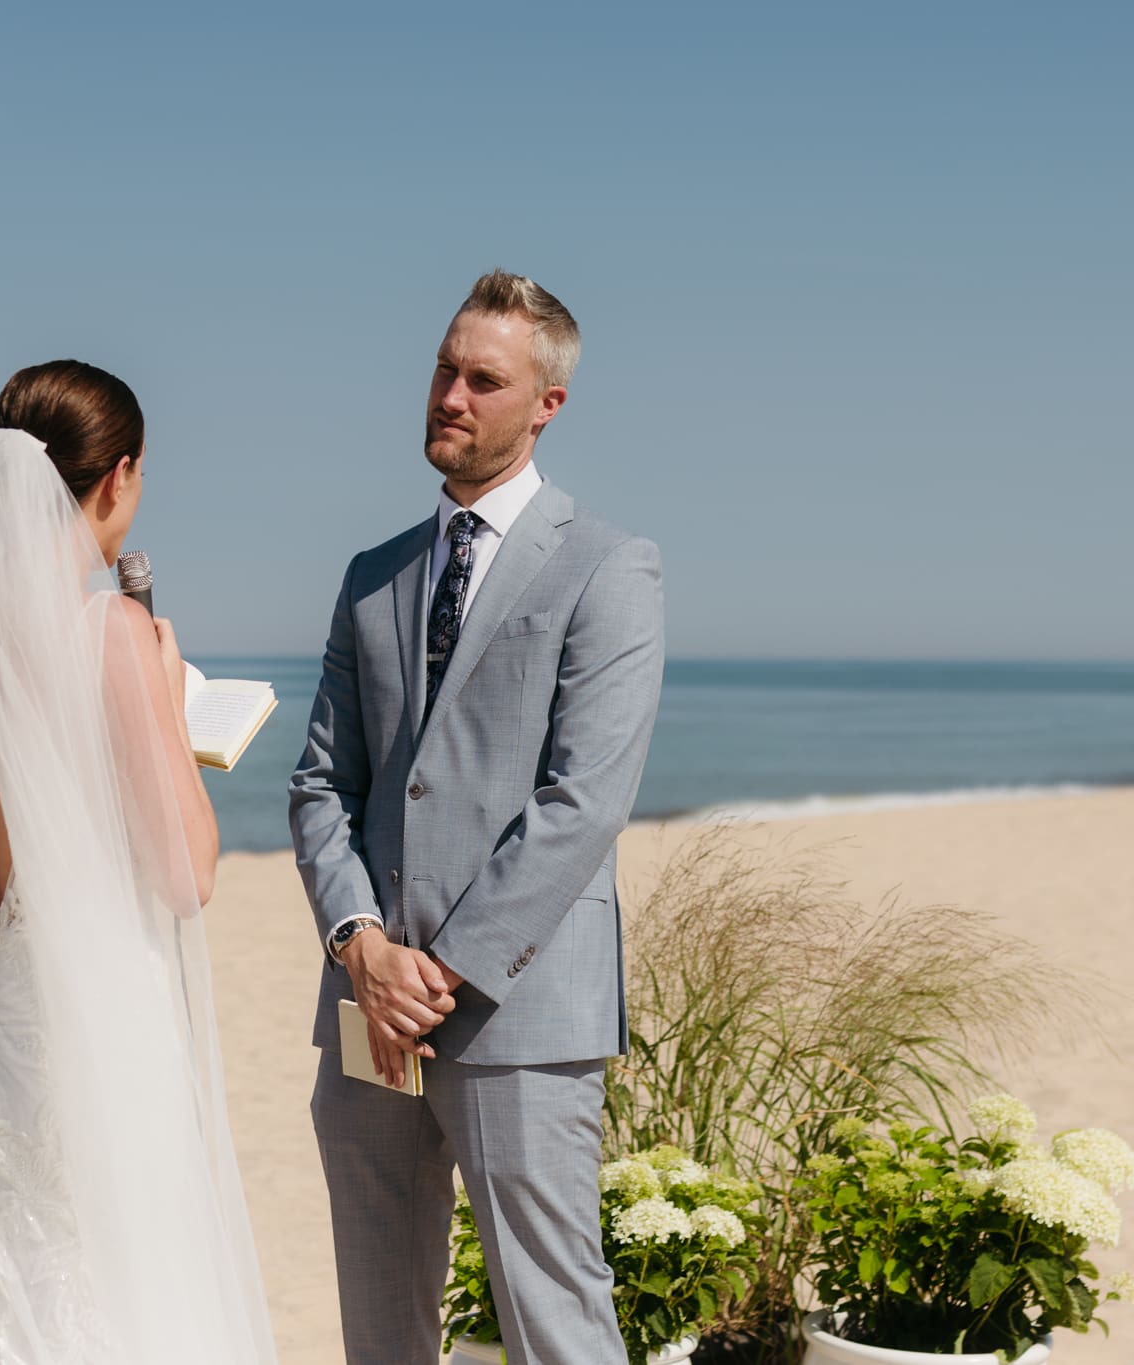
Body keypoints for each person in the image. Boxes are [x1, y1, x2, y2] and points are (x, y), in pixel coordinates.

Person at [289, 271, 666, 1365]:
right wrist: (359, 945)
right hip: (367, 1008)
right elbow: (323, 783)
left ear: (545, 404)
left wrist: (437, 972)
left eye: (481, 379)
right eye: (443, 369)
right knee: (379, 1321)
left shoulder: (609, 567)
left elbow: (583, 800)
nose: (449, 395)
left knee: (552, 1318)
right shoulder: (371, 578)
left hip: (518, 1012)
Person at [0, 360, 275, 1364]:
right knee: (106, 1292)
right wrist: (162, 703)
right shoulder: (109, 634)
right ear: (119, 477)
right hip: (79, 1026)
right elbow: (186, 876)